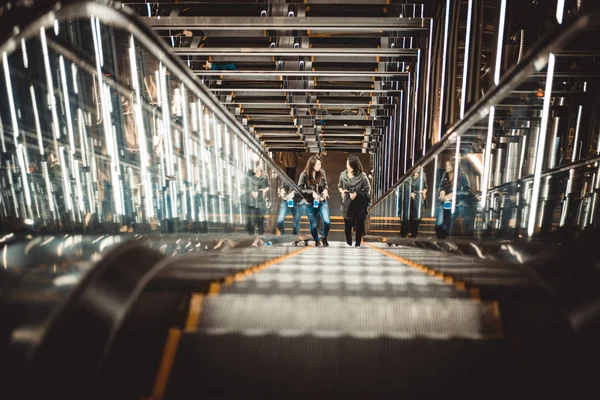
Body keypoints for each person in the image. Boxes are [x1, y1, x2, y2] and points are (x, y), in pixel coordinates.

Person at [297, 155, 330, 246]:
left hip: (322, 201)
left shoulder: (322, 172)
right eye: (318, 164)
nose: (320, 166)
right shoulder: (304, 174)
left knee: (327, 221)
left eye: (320, 164)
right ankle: (316, 240)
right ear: (312, 165)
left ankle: (324, 238)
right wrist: (311, 192)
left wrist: (326, 190)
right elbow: (299, 190)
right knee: (313, 225)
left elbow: (325, 185)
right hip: (310, 203)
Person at [338, 155, 371, 247]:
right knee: (347, 226)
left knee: (359, 224)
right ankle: (349, 242)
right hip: (347, 203)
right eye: (346, 164)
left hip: (359, 204)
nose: (347, 166)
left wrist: (357, 194)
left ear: (355, 166)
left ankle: (358, 243)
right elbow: (340, 186)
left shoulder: (362, 176)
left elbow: (367, 190)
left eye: (349, 165)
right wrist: (342, 191)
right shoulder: (343, 175)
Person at [435, 158, 472, 239]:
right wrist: (442, 191)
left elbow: (468, 192)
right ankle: (440, 239)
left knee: (446, 225)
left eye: (448, 165)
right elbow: (441, 185)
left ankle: (442, 241)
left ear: (453, 166)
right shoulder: (445, 174)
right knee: (439, 223)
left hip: (456, 204)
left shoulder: (463, 176)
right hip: (444, 202)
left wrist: (454, 194)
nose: (446, 167)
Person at [400, 167, 428, 237]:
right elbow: (402, 187)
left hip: (418, 198)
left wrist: (424, 192)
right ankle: (408, 231)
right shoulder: (407, 175)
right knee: (408, 216)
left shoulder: (423, 174)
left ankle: (413, 230)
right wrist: (409, 193)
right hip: (408, 199)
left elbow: (425, 186)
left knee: (418, 216)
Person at [245, 165, 270, 235]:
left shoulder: (264, 177)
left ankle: (259, 238)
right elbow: (247, 187)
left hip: (261, 201)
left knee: (260, 222)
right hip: (252, 202)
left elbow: (268, 186)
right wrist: (252, 192)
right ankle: (252, 238)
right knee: (252, 222)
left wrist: (264, 190)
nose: (258, 169)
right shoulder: (250, 177)